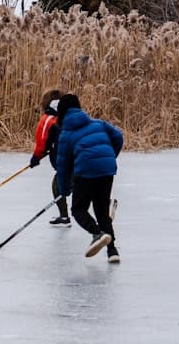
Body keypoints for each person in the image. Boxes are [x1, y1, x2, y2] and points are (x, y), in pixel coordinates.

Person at [55, 93, 124, 263]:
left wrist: (64, 190)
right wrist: (108, 156)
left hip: (86, 171)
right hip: (107, 169)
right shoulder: (97, 123)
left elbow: (63, 167)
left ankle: (97, 234)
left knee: (78, 210)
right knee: (101, 211)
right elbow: (118, 137)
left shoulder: (66, 133)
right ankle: (112, 251)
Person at [29, 88, 71, 226]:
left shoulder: (48, 119)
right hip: (84, 158)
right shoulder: (71, 115)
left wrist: (36, 157)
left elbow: (42, 141)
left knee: (58, 185)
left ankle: (64, 216)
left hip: (68, 162)